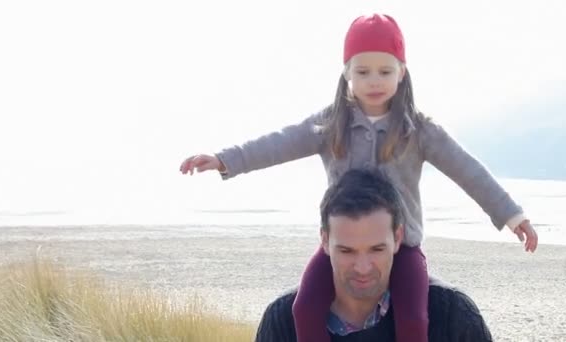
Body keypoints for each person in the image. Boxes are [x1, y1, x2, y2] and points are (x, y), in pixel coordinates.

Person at [180, 13, 537, 342]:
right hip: (343, 242)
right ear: (347, 74)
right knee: (303, 309)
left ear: (402, 72)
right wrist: (226, 160)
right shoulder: (330, 124)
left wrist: (512, 216)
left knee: (413, 318)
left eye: (385, 70)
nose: (374, 81)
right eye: (363, 71)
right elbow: (278, 144)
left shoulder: (418, 130)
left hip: (404, 246)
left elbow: (468, 171)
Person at [254, 169, 493, 342]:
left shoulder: (452, 314)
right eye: (347, 250)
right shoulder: (282, 321)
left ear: (398, 238)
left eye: (377, 249)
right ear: (325, 241)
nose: (363, 267)